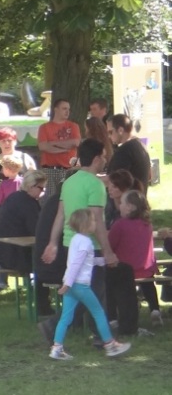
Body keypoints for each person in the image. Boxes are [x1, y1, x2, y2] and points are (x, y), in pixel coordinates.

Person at [40, 139, 115, 344]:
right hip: (90, 246)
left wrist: (53, 243)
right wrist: (107, 250)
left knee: (82, 290)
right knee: (92, 291)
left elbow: (60, 215)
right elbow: (97, 220)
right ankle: (96, 335)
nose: (106, 159)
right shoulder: (96, 185)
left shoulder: (70, 182)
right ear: (98, 158)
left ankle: (98, 334)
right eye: (104, 156)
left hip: (68, 243)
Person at [49, 208, 131, 360]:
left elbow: (85, 261)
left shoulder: (75, 239)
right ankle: (110, 345)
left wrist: (102, 261)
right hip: (80, 285)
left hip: (72, 284)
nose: (95, 224)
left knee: (65, 318)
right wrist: (68, 283)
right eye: (93, 221)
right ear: (86, 224)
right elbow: (76, 264)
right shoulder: (86, 242)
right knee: (98, 312)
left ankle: (56, 348)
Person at [0, 170, 49, 307]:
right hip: (14, 255)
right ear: (32, 186)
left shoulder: (15, 197)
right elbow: (37, 230)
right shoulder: (28, 203)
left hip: (3, 252)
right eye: (41, 188)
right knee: (45, 261)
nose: (43, 192)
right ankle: (43, 305)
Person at [107, 190, 159, 329]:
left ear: (130, 206)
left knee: (108, 281)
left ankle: (112, 317)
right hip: (146, 269)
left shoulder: (119, 224)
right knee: (148, 282)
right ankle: (155, 309)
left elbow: (110, 245)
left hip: (126, 271)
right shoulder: (147, 224)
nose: (120, 205)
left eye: (122, 202)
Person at [37, 97, 80, 192]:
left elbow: (75, 142)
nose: (67, 112)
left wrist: (52, 144)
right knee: (49, 199)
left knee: (68, 196)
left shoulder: (73, 126)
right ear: (56, 109)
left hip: (69, 169)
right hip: (49, 170)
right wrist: (65, 149)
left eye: (69, 109)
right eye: (64, 109)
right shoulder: (44, 127)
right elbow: (43, 146)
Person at [0, 128, 36, 194]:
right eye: (3, 141)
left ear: (15, 142)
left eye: (9, 140)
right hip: (0, 202)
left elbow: (35, 181)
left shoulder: (26, 159)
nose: (7, 143)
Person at [106, 114, 150, 195]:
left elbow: (114, 180)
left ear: (120, 130)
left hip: (127, 201)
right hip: (138, 199)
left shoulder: (124, 151)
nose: (109, 136)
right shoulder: (139, 145)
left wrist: (93, 178)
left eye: (110, 132)